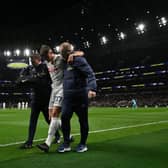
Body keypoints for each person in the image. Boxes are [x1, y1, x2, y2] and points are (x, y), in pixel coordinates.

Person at [37, 44, 84, 152]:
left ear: (50, 52)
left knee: (55, 114)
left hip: (63, 88)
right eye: (44, 58)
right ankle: (69, 136)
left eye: (46, 56)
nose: (46, 59)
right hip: (54, 89)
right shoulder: (46, 62)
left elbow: (81, 53)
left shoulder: (60, 58)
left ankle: (47, 143)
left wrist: (74, 54)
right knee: (52, 116)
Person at [57, 42, 97, 153]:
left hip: (80, 96)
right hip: (68, 97)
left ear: (67, 52)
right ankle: (66, 143)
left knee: (83, 120)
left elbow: (90, 74)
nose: (60, 54)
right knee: (64, 118)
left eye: (62, 52)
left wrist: (92, 88)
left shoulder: (79, 60)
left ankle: (83, 144)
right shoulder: (62, 62)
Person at [17, 54, 60, 149]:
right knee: (33, 121)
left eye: (32, 61)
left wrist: (28, 79)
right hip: (36, 99)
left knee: (49, 120)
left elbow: (41, 80)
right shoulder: (30, 68)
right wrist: (25, 78)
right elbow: (19, 80)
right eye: (31, 62)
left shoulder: (45, 67)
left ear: (37, 59)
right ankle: (29, 142)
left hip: (46, 99)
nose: (31, 63)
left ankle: (58, 136)